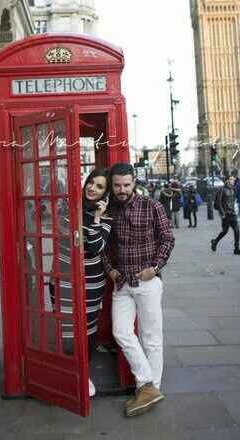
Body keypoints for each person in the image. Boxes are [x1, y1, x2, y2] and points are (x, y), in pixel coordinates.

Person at [102, 162, 175, 417]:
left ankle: (153, 386)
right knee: (121, 332)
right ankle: (147, 384)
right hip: (122, 283)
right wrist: (110, 269)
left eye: (126, 184)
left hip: (147, 282)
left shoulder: (152, 206)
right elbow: (104, 246)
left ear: (134, 183)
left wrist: (154, 268)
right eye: (117, 185)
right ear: (112, 185)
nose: (122, 189)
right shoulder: (109, 209)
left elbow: (168, 239)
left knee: (151, 337)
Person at [49, 168, 111, 397]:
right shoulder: (70, 206)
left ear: (106, 194)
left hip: (90, 281)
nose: (92, 188)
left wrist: (95, 218)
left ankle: (84, 374)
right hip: (62, 276)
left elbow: (96, 246)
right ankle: (67, 372)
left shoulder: (105, 217)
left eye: (100, 186)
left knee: (86, 328)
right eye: (91, 183)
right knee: (64, 325)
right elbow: (59, 233)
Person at [211, 175, 240, 255]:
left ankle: (236, 248)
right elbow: (219, 203)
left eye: (233, 179)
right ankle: (215, 241)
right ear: (227, 180)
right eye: (231, 179)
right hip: (225, 214)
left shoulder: (233, 189)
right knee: (225, 231)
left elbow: (232, 202)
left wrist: (235, 211)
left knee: (237, 230)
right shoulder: (222, 190)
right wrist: (222, 213)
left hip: (232, 213)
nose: (232, 181)